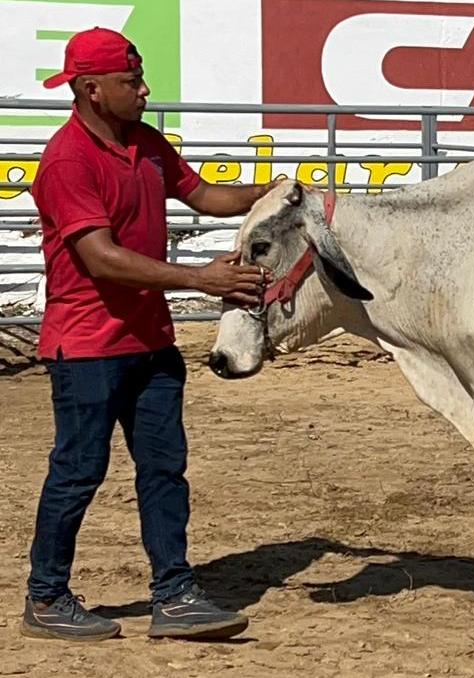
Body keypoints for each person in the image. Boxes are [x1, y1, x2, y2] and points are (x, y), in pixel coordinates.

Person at [21, 27, 277, 642]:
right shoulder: (67, 161)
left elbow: (207, 195)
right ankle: (46, 597)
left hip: (149, 343)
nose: (144, 90)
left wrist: (273, 194)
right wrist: (202, 280)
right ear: (92, 89)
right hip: (87, 347)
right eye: (131, 82)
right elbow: (102, 258)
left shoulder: (147, 143)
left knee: (164, 468)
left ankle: (176, 592)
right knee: (78, 471)